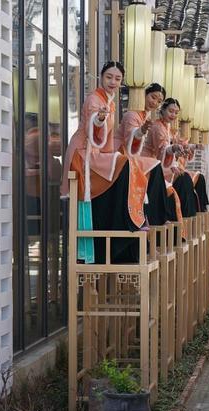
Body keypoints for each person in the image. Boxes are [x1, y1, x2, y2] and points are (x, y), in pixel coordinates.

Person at [61, 61, 146, 263]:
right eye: (109, 77)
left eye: (117, 79)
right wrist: (99, 120)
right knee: (125, 164)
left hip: (95, 152)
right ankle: (125, 219)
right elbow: (95, 128)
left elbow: (107, 142)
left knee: (126, 164)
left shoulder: (110, 102)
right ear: (101, 77)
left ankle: (130, 218)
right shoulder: (95, 99)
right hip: (83, 152)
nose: (113, 82)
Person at [113, 83, 168, 225]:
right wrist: (141, 131)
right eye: (153, 97)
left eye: (159, 101)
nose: (154, 103)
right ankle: (154, 218)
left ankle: (155, 217)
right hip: (121, 155)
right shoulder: (132, 115)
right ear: (143, 94)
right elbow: (130, 141)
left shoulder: (146, 117)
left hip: (134, 157)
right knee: (155, 167)